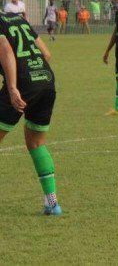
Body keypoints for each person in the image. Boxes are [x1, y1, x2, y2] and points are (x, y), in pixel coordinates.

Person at [0, 11, 61, 215]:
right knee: (36, 143)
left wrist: (12, 88)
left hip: (22, 84)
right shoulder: (16, 18)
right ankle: (52, 203)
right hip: (46, 80)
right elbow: (46, 54)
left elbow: (6, 51)